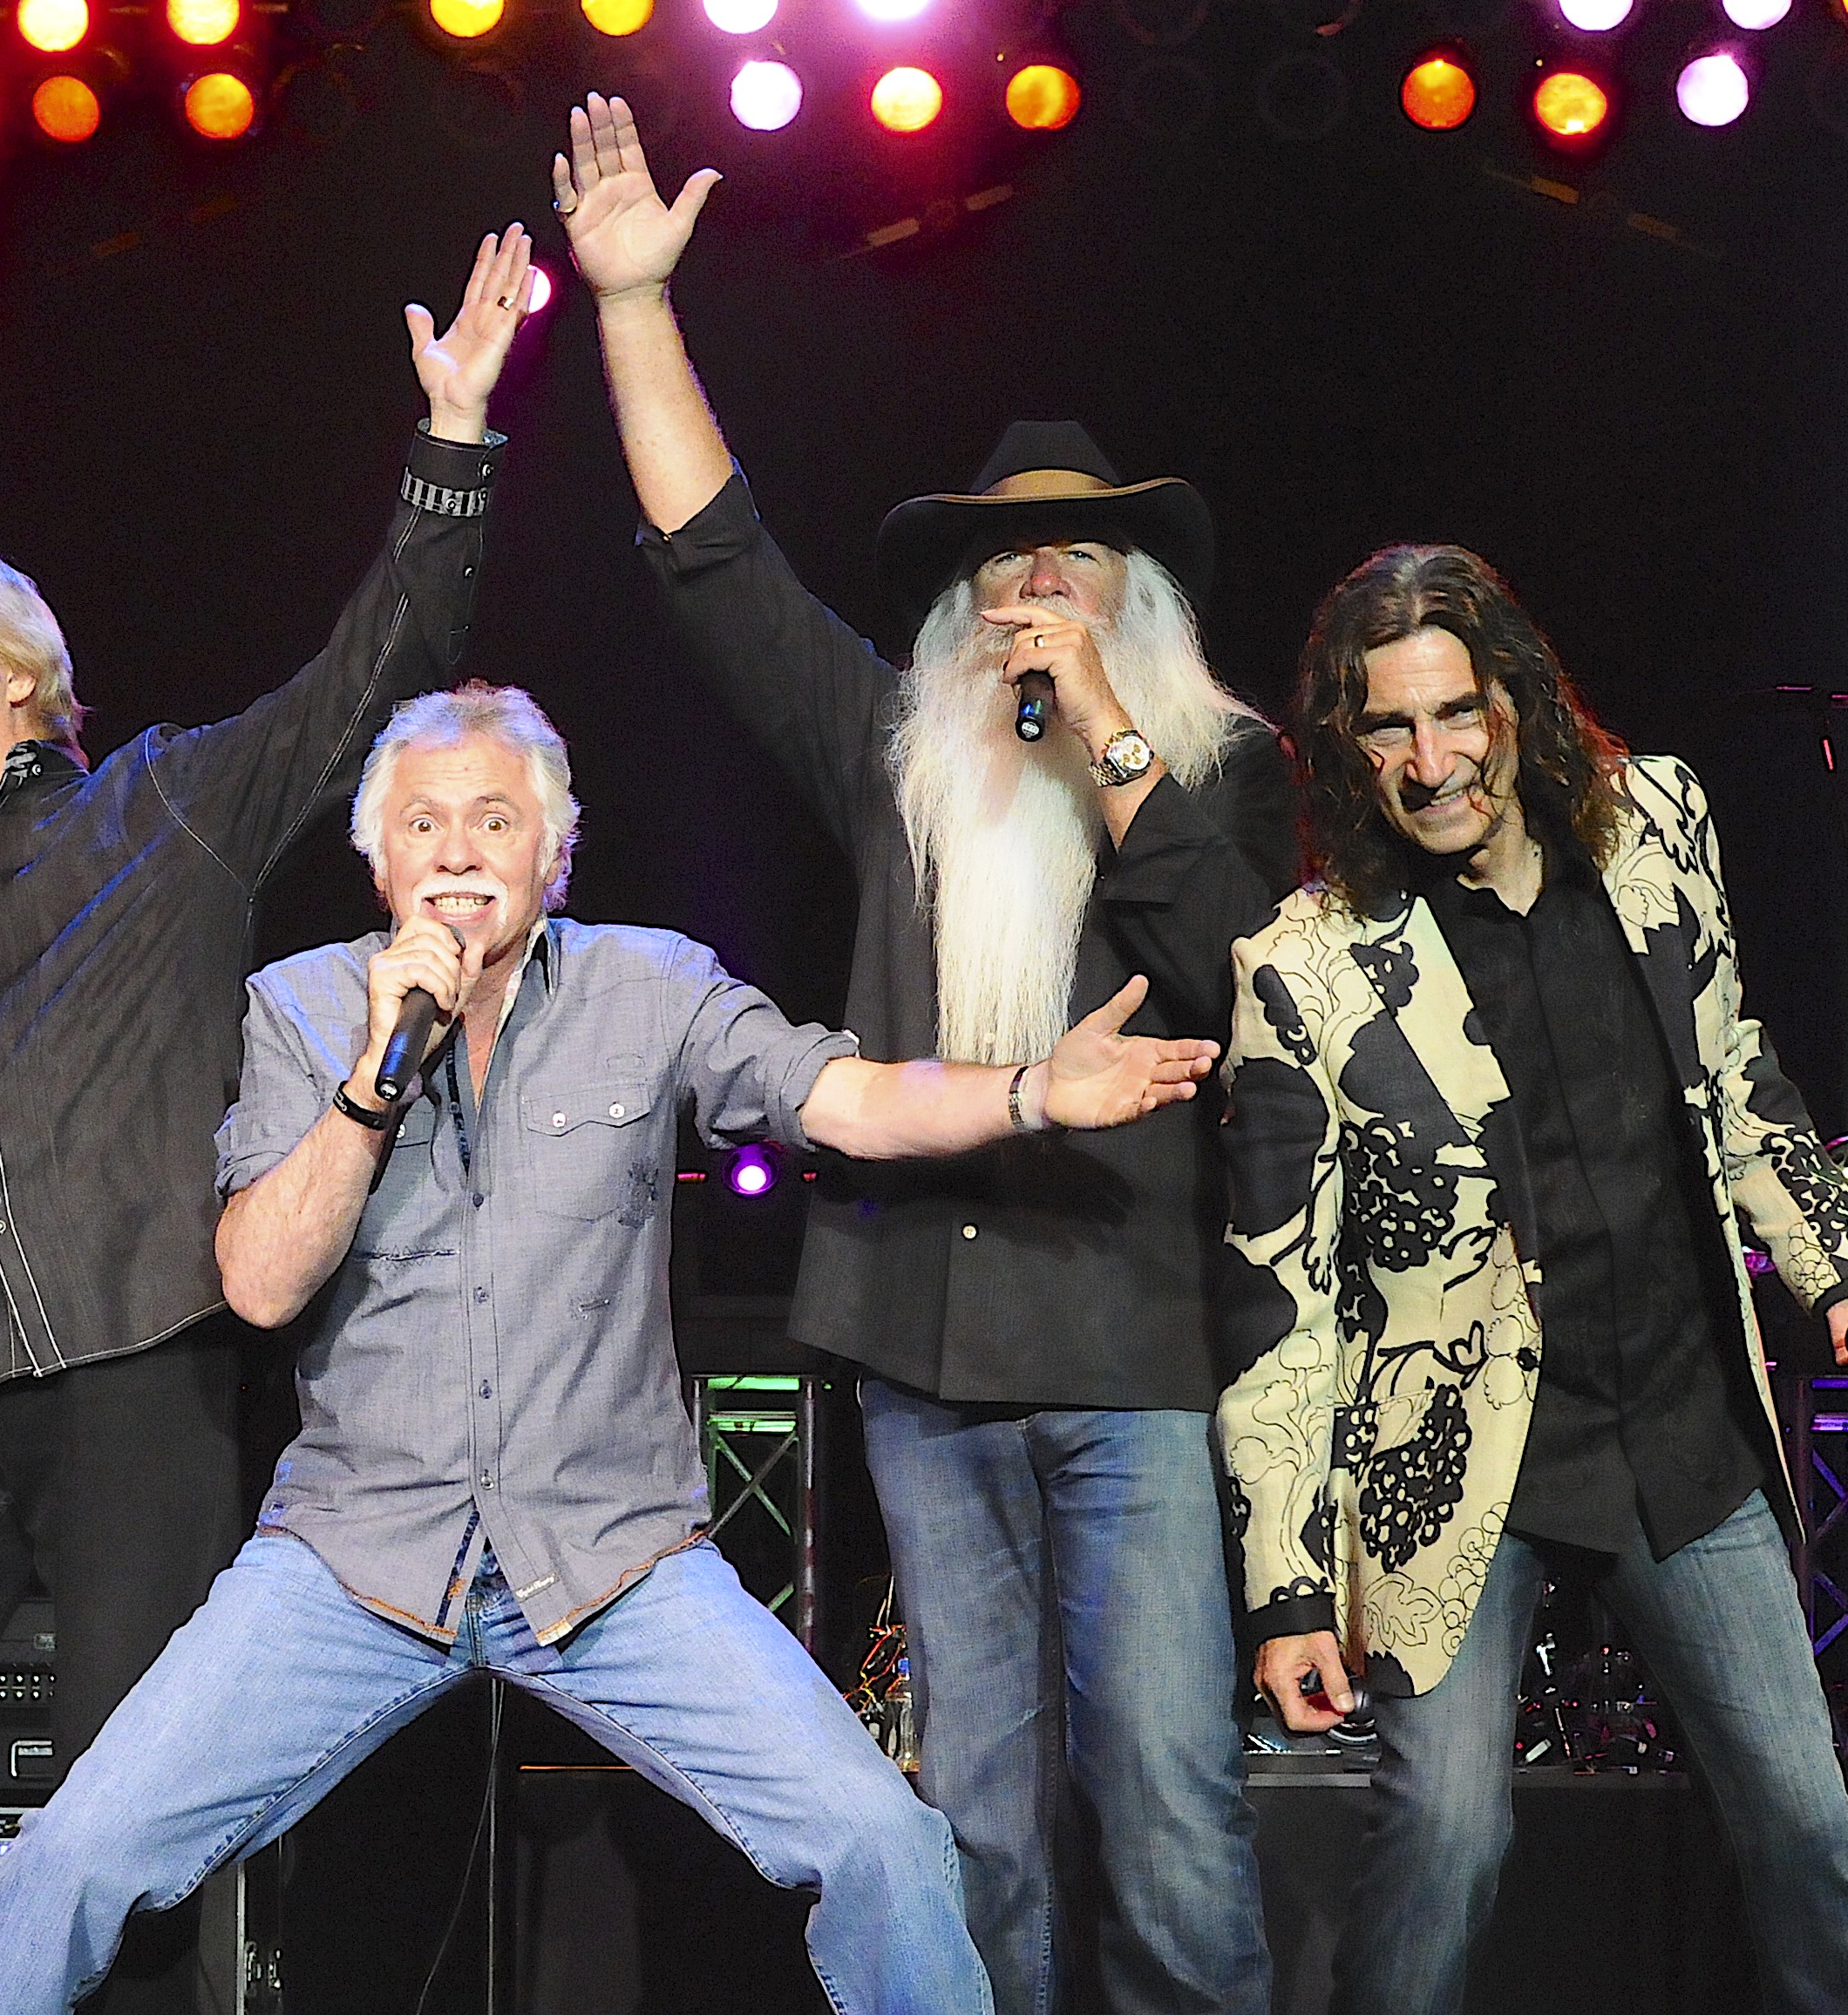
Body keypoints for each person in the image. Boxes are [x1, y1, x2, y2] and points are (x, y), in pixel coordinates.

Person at [0, 679, 1226, 2015]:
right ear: (378, 860)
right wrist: (372, 1078)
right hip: (353, 1559)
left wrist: (1029, 1092)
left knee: (879, 1838)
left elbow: (850, 1100)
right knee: (76, 1851)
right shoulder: (299, 1006)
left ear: (553, 852)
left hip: (613, 1560)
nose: (457, 850)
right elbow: (258, 1282)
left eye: (493, 819)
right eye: (422, 823)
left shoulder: (651, 984)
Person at [0, 227, 538, 2014]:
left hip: (141, 1366)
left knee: (127, 1799)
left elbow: (364, 674)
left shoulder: (161, 808)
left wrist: (451, 444)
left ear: (18, 670)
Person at [554, 93, 1293, 2015]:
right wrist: (631, 305)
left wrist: (1103, 738)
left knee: (1169, 1807)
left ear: (1136, 609)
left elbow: (1243, 979)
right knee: (975, 1819)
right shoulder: (897, 758)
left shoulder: (1216, 773)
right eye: (1002, 574)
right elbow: (714, 560)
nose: (1029, 594)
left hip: (1131, 1356)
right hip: (924, 1361)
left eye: (1070, 568)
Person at [1219, 543, 1848, 2015]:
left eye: (1453, 714)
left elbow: (1735, 1072)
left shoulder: (1655, 821)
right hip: (1459, 1465)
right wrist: (1287, 1592)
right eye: (1387, 729)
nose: (1430, 763)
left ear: (1514, 703)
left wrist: (1836, 1268)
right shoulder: (1302, 966)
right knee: (1444, 1840)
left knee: (1802, 1828)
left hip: (1675, 1417)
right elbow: (1278, 1304)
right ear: (1345, 745)